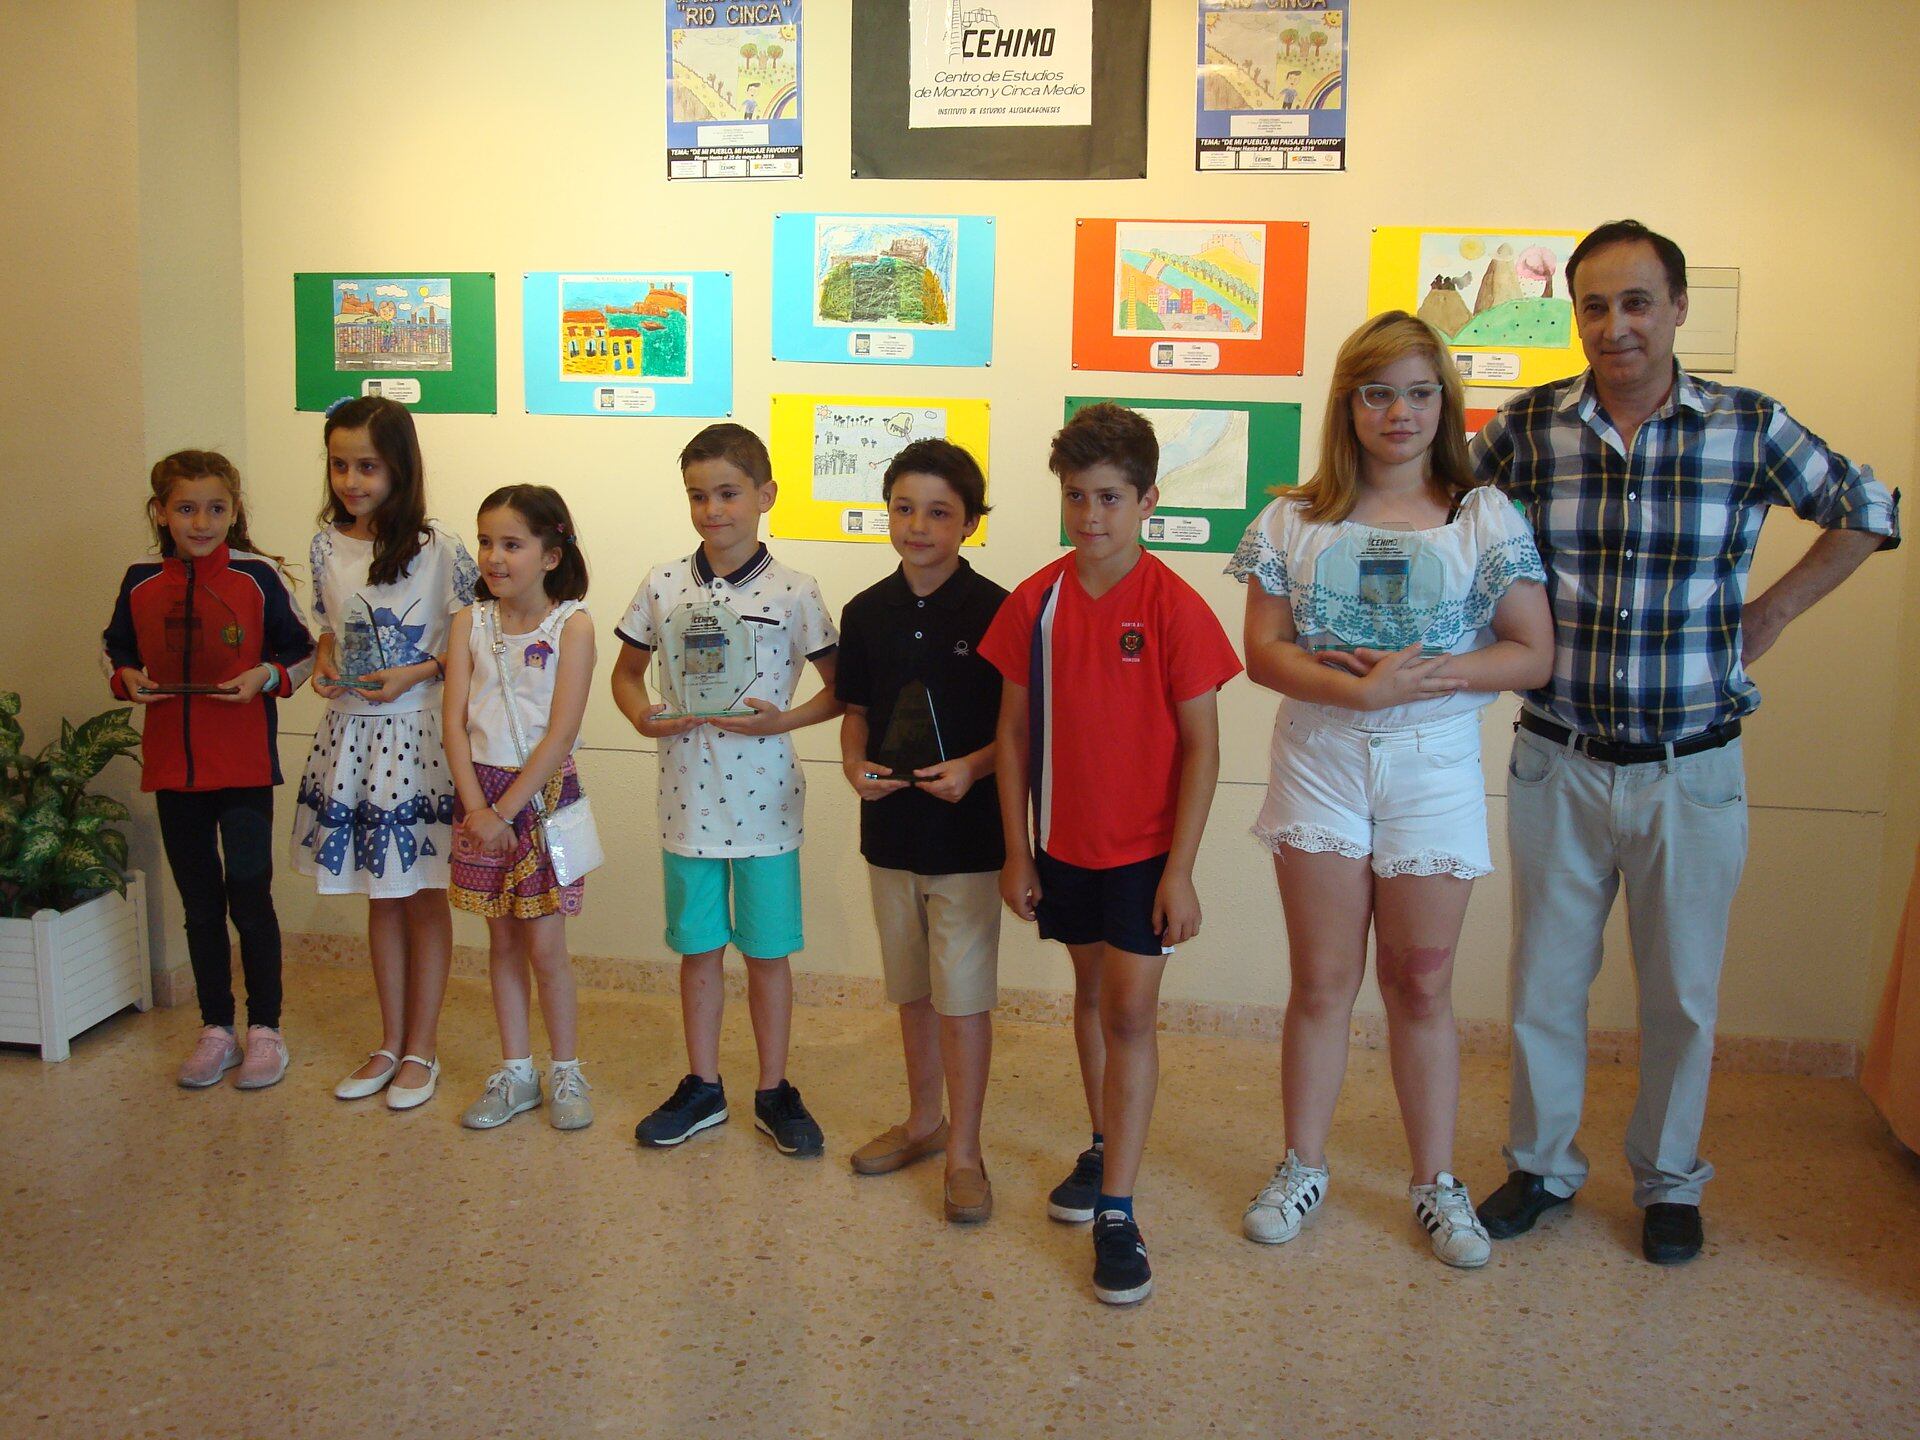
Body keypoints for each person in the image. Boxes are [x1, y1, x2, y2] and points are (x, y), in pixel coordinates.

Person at [1470, 219, 1901, 1264]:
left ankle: (1668, 1182)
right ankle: (1543, 1167)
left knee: (1681, 999)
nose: (1615, 325)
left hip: (1692, 768)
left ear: (1676, 308)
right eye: (1594, 306)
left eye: (1636, 302)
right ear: (1574, 317)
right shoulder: (1528, 426)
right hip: (1558, 758)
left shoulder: (1748, 426)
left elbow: (1869, 506)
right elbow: (1435, 506)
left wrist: (1775, 611)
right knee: (1543, 988)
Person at [1227, 313, 1554, 1267]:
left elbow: (1531, 653)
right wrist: (1359, 692)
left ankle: (1434, 1182)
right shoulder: (1292, 518)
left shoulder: (1483, 516)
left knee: (1421, 982)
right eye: (1378, 393)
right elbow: (1263, 652)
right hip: (1320, 757)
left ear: (1444, 402)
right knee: (1323, 980)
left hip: (1434, 762)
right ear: (1349, 404)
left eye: (1418, 393)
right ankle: (1302, 1164)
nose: (1399, 413)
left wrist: (1428, 678)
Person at [978, 403, 1243, 1305]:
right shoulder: (1035, 602)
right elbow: (1013, 736)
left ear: (1148, 500)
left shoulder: (1174, 606)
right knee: (1090, 996)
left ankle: (1119, 1211)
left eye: (1110, 498)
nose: (1090, 515)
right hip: (1062, 847)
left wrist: (1180, 869)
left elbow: (1204, 747)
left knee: (1130, 1011)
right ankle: (1101, 1144)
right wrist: (1019, 852)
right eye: (1076, 496)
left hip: (1145, 856)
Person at [611, 423, 842, 1157]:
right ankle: (703, 1086)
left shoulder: (796, 591)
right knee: (699, 949)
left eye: (729, 494)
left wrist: (781, 721)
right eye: (698, 496)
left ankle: (774, 1090)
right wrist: (639, 714)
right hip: (686, 800)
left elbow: (841, 691)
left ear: (765, 495)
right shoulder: (661, 583)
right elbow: (625, 674)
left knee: (767, 953)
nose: (713, 510)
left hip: (767, 804)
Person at [104, 451, 315, 1090]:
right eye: (186, 508)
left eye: (216, 508)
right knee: (200, 904)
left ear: (234, 510)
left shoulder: (257, 577)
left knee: (250, 897)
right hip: (173, 769)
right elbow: (116, 648)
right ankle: (216, 1029)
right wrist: (126, 677)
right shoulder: (139, 579)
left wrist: (265, 676)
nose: (201, 522)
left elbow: (302, 651)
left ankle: (266, 1030)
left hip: (244, 767)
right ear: (161, 513)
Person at [837, 439, 1006, 1223]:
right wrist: (852, 765)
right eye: (904, 508)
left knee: (961, 1000)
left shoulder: (999, 610)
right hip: (890, 834)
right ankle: (922, 1123)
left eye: (939, 512)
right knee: (911, 992)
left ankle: (966, 1151)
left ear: (969, 522)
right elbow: (857, 712)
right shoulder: (865, 611)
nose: (917, 526)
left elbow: (1023, 729)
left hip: (969, 839)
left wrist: (974, 766)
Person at [294, 396, 479, 1112]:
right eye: (339, 465)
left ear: (400, 467)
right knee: (380, 893)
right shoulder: (325, 545)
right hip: (353, 738)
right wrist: (324, 662)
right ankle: (389, 1040)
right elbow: (330, 628)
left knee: (422, 893)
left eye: (367, 466)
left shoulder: (440, 549)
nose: (351, 480)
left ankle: (422, 1048)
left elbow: (471, 647)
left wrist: (418, 672)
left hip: (419, 738)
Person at [444, 486, 599, 1132]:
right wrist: (477, 809)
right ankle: (516, 1072)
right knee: (501, 940)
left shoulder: (574, 626)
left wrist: (503, 813)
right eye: (486, 542)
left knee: (545, 945)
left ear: (551, 554)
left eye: (511, 544)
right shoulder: (468, 623)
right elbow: (454, 725)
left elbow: (560, 734)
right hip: (479, 798)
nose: (494, 557)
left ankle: (566, 1069)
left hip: (541, 798)